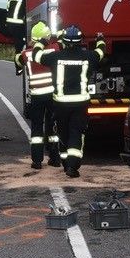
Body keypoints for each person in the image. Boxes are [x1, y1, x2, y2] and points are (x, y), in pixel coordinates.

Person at [32, 25, 106, 178]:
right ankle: (72, 166)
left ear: (64, 41)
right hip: (80, 104)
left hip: (60, 104)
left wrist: (43, 42)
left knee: (63, 134)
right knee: (76, 133)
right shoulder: (89, 56)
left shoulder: (55, 57)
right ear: (80, 42)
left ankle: (66, 163)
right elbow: (100, 52)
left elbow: (36, 55)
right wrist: (100, 40)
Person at [20, 21, 62, 169]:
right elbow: (58, 42)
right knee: (53, 127)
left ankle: (37, 160)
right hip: (51, 94)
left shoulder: (26, 53)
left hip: (36, 95)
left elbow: (19, 63)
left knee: (37, 128)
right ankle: (55, 158)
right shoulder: (54, 49)